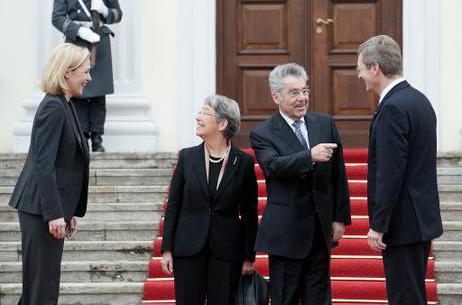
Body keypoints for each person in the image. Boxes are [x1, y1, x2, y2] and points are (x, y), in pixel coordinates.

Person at [250, 63, 351, 304]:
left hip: (320, 229)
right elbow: (273, 167)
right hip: (287, 234)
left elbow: (339, 174)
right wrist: (309, 156)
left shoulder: (324, 123)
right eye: (294, 93)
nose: (302, 98)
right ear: (276, 97)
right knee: (285, 297)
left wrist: (339, 218)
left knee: (319, 298)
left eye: (305, 91)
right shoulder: (263, 133)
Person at [357, 35, 443, 305]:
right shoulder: (419, 100)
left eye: (360, 68)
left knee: (405, 298)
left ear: (375, 68)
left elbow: (390, 172)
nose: (359, 75)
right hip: (419, 219)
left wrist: (379, 225)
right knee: (411, 294)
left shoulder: (393, 107)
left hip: (403, 222)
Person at [8, 43, 91, 305]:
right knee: (41, 289)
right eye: (85, 72)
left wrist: (67, 211)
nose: (89, 78)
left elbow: (65, 166)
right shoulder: (53, 108)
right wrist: (54, 212)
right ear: (67, 73)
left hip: (49, 209)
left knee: (40, 287)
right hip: (39, 210)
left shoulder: (65, 106)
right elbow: (44, 165)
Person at [160, 95, 258, 305]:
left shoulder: (243, 163)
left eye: (205, 113)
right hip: (188, 248)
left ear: (222, 124)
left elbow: (249, 214)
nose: (198, 117)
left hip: (226, 251)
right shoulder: (187, 158)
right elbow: (173, 207)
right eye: (200, 112)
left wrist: (249, 257)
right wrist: (167, 248)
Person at [52, 0, 123, 152]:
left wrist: (105, 10)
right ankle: (81, 136)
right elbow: (57, 17)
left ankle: (97, 138)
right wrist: (78, 30)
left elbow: (118, 15)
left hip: (99, 40)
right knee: (77, 91)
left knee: (99, 92)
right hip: (77, 41)